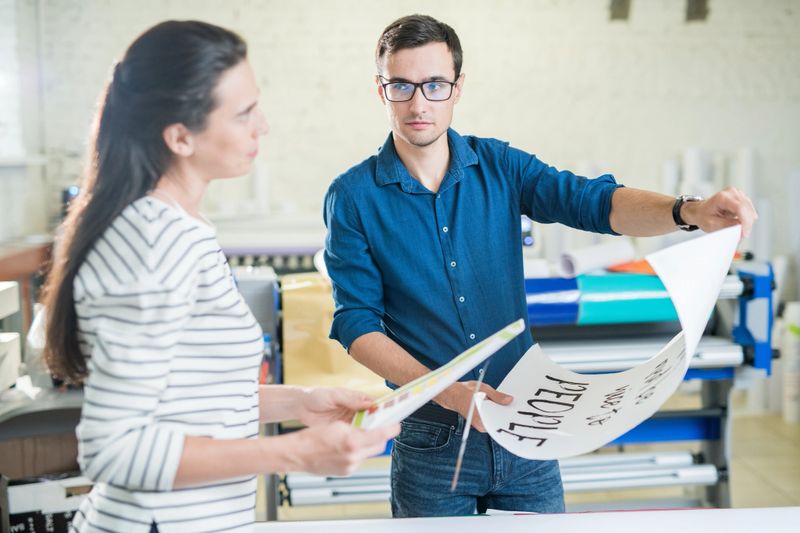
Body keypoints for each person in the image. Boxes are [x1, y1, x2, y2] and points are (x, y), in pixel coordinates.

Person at [323, 14, 757, 518]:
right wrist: (448, 391)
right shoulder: (353, 196)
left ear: (457, 88)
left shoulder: (501, 167)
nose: (419, 103)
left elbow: (593, 202)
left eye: (434, 85)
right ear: (382, 90)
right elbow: (355, 321)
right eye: (402, 85)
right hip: (430, 438)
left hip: (525, 424)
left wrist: (690, 212)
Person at [42, 20, 398, 533]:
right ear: (180, 136)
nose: (263, 127)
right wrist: (292, 453)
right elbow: (112, 450)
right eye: (244, 114)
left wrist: (298, 403)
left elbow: (191, 401)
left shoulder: (185, 228)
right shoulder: (153, 240)